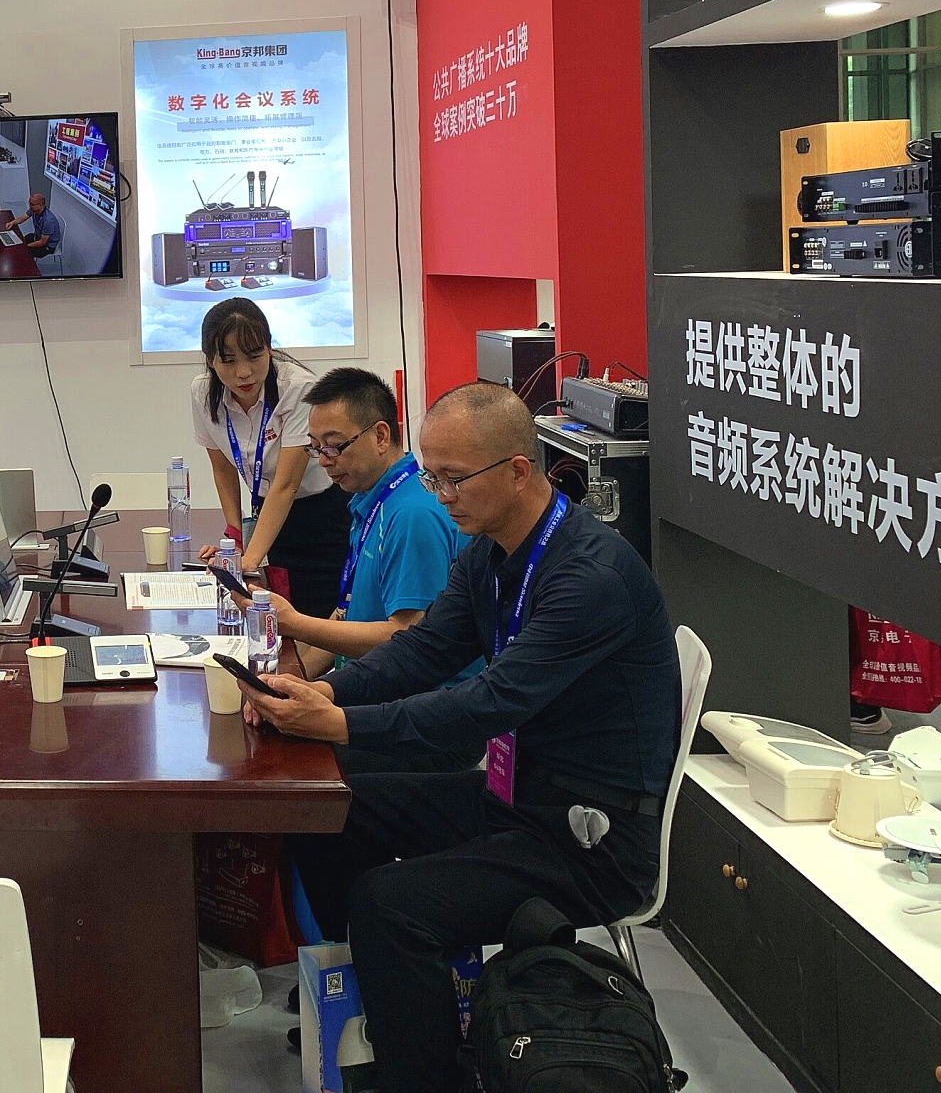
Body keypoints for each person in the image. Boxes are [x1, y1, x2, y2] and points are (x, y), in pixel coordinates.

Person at [241, 383, 681, 1093]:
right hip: (517, 797)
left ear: (517, 471)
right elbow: (425, 651)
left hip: (589, 839)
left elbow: (489, 701)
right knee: (324, 809)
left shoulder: (591, 577)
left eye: (453, 479)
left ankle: (422, 1069)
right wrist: (328, 692)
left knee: (390, 903)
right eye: (431, 476)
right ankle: (389, 1008)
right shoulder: (491, 553)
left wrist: (343, 723)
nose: (440, 495)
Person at [270, 367, 480, 773]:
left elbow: (408, 637)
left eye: (335, 446)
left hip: (421, 723)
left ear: (381, 436)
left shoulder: (412, 514)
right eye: (315, 448)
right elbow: (346, 613)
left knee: (287, 768)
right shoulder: (372, 501)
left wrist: (293, 623)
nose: (324, 461)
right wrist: (296, 683)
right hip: (372, 694)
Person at [189, 298, 352, 619]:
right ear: (210, 360)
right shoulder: (202, 392)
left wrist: (248, 560)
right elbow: (222, 469)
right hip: (267, 512)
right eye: (228, 361)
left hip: (321, 517)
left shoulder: (298, 388)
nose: (244, 372)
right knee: (273, 616)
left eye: (254, 356)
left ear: (269, 348)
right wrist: (234, 538)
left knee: (317, 621)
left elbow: (286, 485)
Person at [15, 190, 63, 269]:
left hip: (48, 245)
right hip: (38, 236)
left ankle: (26, 270)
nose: (30, 206)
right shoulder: (34, 210)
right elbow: (22, 218)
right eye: (29, 203)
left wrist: (25, 246)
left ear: (40, 205)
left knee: (25, 252)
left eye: (32, 204)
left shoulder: (48, 220)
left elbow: (42, 242)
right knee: (20, 240)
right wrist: (12, 223)